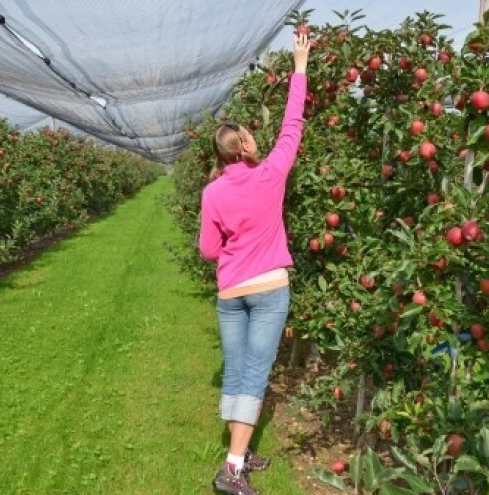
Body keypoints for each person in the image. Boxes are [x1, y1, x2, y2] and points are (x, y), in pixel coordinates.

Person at [198, 32, 309, 495]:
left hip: (230, 293)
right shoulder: (270, 173)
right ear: (243, 147)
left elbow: (208, 250)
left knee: (237, 368)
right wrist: (299, 66)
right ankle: (231, 469)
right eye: (250, 135)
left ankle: (239, 449)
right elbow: (292, 125)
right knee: (254, 374)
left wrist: (232, 248)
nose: (257, 138)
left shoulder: (212, 191)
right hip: (267, 291)